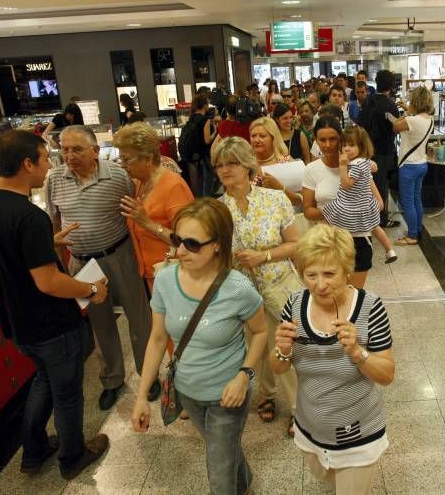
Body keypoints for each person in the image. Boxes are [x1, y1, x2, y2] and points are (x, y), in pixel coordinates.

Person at [0, 129, 109, 480]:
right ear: (27, 163)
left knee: (43, 381)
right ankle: (73, 457)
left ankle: (33, 452)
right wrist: (91, 290)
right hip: (52, 326)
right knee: (67, 394)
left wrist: (44, 244)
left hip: (16, 323)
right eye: (45, 159)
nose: (50, 166)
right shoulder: (30, 216)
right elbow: (49, 281)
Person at [131, 198, 268, 495]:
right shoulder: (165, 281)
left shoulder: (238, 288)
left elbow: (260, 333)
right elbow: (157, 339)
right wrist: (142, 396)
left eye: (192, 244)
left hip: (227, 397)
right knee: (223, 450)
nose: (180, 251)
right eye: (178, 240)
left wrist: (244, 375)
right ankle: (244, 483)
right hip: (188, 392)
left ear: (217, 244)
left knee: (219, 476)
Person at [271, 224, 395, 495]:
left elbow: (387, 375)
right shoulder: (294, 304)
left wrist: (358, 353)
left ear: (347, 269)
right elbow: (279, 366)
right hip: (310, 428)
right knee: (327, 481)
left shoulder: (371, 307)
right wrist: (282, 349)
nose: (320, 284)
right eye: (311, 274)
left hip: (358, 434)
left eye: (329, 273)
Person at [46, 125, 160, 410]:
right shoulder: (54, 178)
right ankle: (112, 379)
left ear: (95, 151)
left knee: (139, 316)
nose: (69, 155)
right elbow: (55, 222)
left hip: (119, 254)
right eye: (65, 149)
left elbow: (135, 213)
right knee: (100, 322)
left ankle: (149, 373)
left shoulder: (118, 175)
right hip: (82, 261)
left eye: (77, 149)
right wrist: (60, 263)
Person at [213, 137, 302, 436]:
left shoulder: (274, 200)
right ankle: (266, 395)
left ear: (247, 166)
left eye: (232, 163)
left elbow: (295, 244)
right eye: (219, 165)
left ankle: (298, 409)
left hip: (281, 286)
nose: (225, 170)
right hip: (244, 293)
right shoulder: (217, 210)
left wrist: (263, 255)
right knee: (257, 347)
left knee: (286, 347)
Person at [113, 122, 194, 290]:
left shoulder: (173, 187)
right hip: (154, 274)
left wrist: (147, 223)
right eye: (121, 159)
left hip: (175, 275)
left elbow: (188, 240)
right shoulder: (140, 183)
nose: (123, 165)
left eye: (127, 159)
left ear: (148, 158)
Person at [303, 116, 373, 288]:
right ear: (315, 141)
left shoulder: (357, 166)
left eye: (333, 139)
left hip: (358, 238)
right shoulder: (312, 170)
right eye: (322, 140)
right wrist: (336, 211)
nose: (327, 145)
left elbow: (378, 203)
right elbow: (308, 210)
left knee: (354, 297)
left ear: (341, 139)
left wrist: (355, 208)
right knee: (328, 296)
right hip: (326, 240)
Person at [323, 126, 397, 264]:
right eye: (344, 145)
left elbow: (346, 185)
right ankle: (389, 250)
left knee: (330, 215)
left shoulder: (355, 165)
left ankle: (328, 245)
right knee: (376, 226)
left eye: (351, 145)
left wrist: (343, 167)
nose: (346, 149)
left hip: (351, 204)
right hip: (366, 203)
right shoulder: (363, 161)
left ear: (361, 146)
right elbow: (374, 166)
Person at [358, 70, 400, 229]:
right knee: (381, 185)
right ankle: (381, 218)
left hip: (366, 150)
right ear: (390, 85)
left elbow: (361, 124)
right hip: (384, 150)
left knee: (367, 184)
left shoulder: (367, 101)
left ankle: (367, 215)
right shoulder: (389, 105)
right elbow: (396, 127)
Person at [392, 86, 434, 245]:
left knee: (407, 202)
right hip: (422, 164)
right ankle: (416, 229)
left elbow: (395, 126)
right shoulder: (429, 120)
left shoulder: (411, 120)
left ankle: (412, 236)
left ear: (415, 101)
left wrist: (407, 111)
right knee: (417, 199)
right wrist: (409, 110)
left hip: (408, 166)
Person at [248, 116, 303, 207]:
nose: (256, 140)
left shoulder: (286, 161)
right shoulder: (245, 163)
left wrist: (280, 188)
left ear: (273, 138)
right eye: (253, 136)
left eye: (262, 136)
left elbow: (299, 201)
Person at [179, 94, 219, 196]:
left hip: (191, 155)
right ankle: (206, 201)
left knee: (195, 182)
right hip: (202, 156)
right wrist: (214, 132)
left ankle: (197, 201)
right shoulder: (204, 120)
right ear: (205, 105)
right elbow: (207, 140)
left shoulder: (191, 119)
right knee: (206, 180)